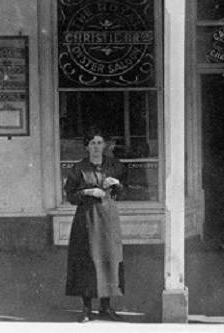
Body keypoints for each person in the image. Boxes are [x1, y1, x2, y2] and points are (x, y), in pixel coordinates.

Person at [64, 128, 127, 323]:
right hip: (87, 219)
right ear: (87, 146)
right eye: (92, 143)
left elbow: (123, 192)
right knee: (87, 260)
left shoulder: (114, 166)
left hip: (108, 219)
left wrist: (117, 183)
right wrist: (87, 192)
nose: (96, 147)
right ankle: (86, 308)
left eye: (99, 143)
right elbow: (70, 196)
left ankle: (106, 307)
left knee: (108, 259)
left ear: (105, 145)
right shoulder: (78, 168)